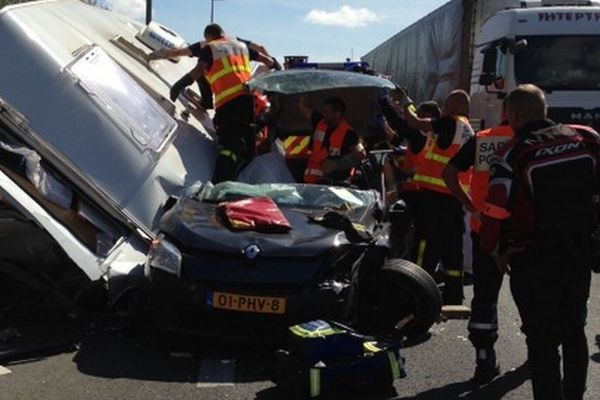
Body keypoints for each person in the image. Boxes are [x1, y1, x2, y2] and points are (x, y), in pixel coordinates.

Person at [480, 84, 600, 400]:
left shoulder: (510, 154)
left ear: (514, 115)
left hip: (532, 257)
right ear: (544, 109)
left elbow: (493, 210)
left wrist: (492, 248)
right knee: (575, 330)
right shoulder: (586, 137)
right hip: (579, 251)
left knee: (542, 341)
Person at [442, 98, 514, 383]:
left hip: (485, 228)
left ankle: (484, 357)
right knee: (534, 294)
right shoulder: (538, 140)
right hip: (527, 233)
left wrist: (470, 205)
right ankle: (539, 350)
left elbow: (449, 173)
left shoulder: (483, 139)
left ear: (505, 112)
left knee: (485, 295)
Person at [149, 24, 277, 183]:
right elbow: (266, 59)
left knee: (228, 143)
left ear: (208, 36)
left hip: (228, 102)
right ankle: (245, 176)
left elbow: (196, 67)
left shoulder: (208, 48)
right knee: (246, 138)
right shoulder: (240, 45)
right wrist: (276, 67)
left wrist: (179, 84)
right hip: (247, 99)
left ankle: (219, 182)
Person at [388, 89, 473, 304]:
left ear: (454, 106)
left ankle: (415, 290)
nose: (443, 108)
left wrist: (405, 101)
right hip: (454, 196)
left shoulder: (449, 122)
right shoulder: (467, 128)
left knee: (425, 244)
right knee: (452, 246)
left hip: (436, 197)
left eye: (447, 104)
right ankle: (454, 294)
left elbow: (415, 123)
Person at [299, 97, 365, 184]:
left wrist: (336, 164)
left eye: (327, 112)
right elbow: (304, 106)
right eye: (324, 112)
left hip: (335, 184)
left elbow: (361, 154)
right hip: (312, 182)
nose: (324, 115)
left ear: (337, 114)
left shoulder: (349, 133)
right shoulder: (320, 122)